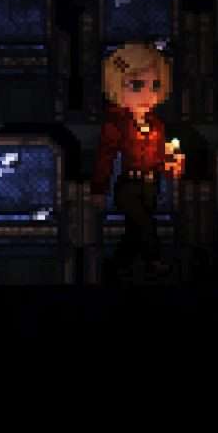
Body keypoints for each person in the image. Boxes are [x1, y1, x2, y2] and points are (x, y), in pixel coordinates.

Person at [89, 42, 186, 282]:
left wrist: (171, 165)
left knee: (134, 231)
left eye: (154, 86)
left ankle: (117, 265)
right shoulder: (116, 124)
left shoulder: (157, 125)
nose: (147, 94)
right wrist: (99, 189)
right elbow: (105, 156)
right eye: (136, 85)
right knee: (145, 224)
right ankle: (155, 261)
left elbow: (160, 157)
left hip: (151, 186)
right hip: (128, 187)